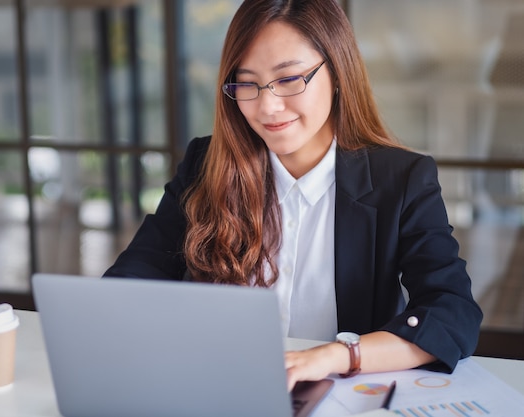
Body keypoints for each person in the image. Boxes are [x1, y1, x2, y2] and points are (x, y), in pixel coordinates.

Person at [104, 0, 483, 391]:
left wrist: (334, 355)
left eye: (289, 79)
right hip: (218, 389)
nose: (267, 106)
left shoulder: (401, 180)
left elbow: (452, 315)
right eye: (247, 83)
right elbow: (128, 284)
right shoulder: (206, 164)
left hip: (339, 395)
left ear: (337, 74)